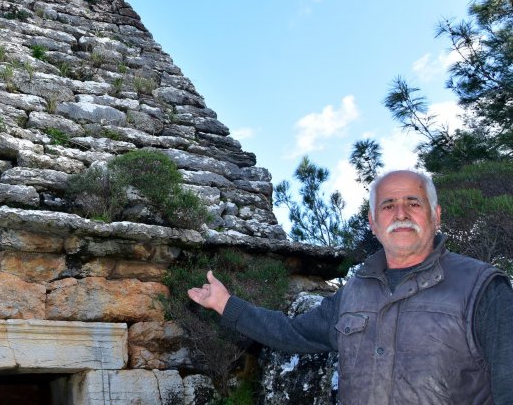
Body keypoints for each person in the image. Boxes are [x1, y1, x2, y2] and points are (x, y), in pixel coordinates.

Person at [188, 170, 513, 404]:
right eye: (387, 206)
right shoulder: (354, 292)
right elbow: (292, 333)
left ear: (435, 215)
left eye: (413, 203)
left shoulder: (483, 288)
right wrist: (226, 304)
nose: (400, 213)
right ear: (373, 223)